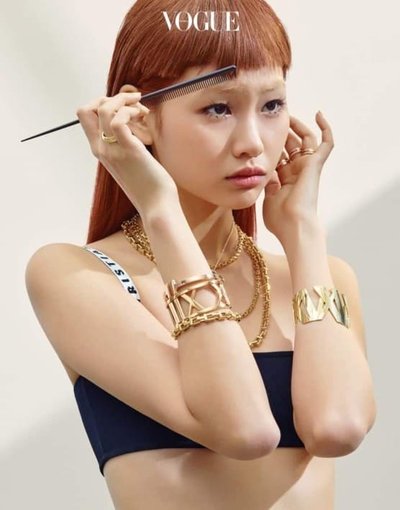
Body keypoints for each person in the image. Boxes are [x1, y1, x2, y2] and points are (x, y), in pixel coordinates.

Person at [24, 1, 377, 508]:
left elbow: (336, 427)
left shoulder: (324, 276)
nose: (252, 143)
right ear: (139, 119)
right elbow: (245, 428)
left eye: (272, 105)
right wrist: (160, 210)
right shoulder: (77, 276)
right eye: (218, 109)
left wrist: (302, 231)